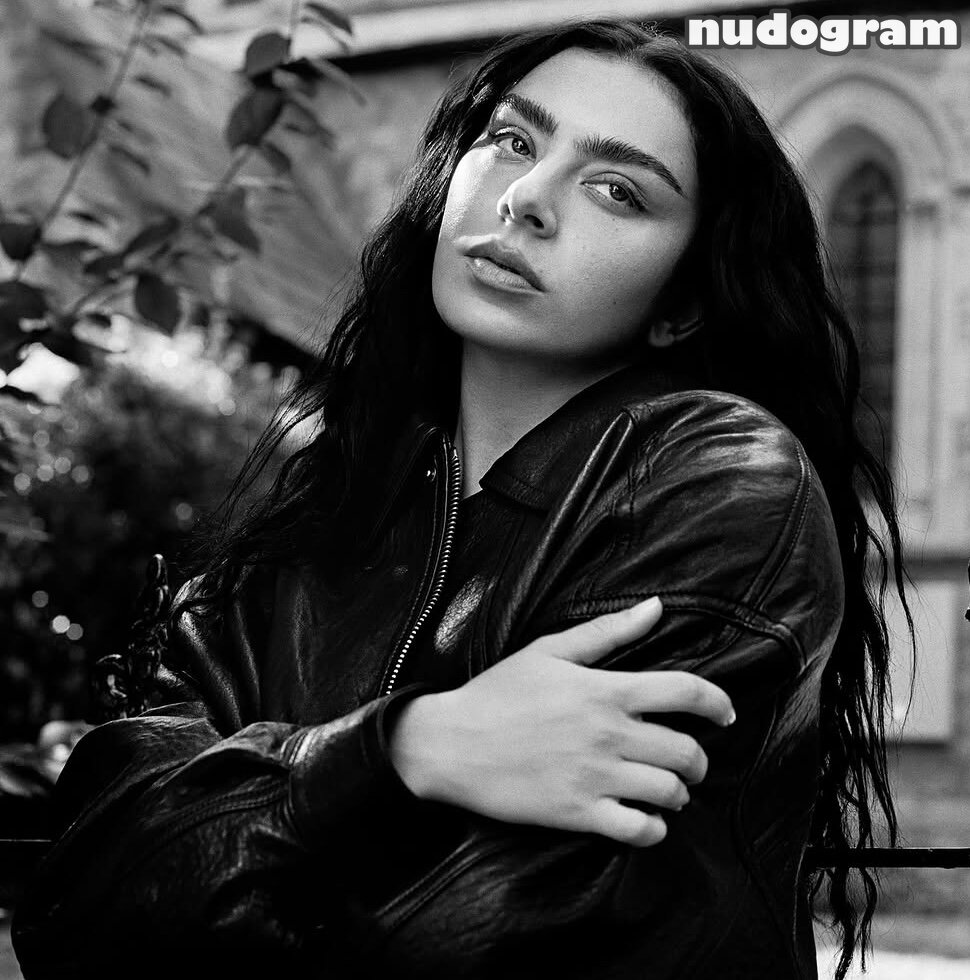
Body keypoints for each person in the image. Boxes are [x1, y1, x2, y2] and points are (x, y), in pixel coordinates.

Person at [13, 19, 912, 980]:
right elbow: (80, 899)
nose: (526, 200)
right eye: (513, 140)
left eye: (617, 189)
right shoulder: (312, 521)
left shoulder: (720, 479)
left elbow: (497, 945)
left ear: (683, 303)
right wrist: (406, 751)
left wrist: (239, 828)